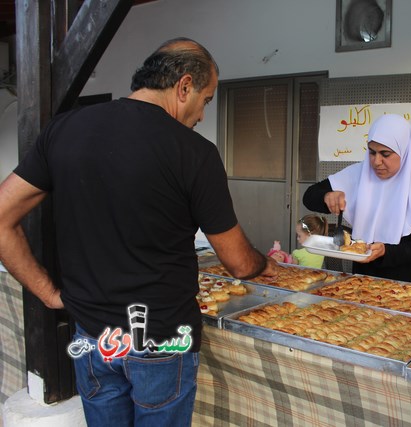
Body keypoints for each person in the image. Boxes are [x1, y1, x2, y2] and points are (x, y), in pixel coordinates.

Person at [0, 37, 277, 427]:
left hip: (94, 337)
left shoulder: (65, 130)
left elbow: (1, 215)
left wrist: (49, 294)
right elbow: (238, 263)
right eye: (207, 99)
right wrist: (264, 264)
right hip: (162, 339)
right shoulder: (194, 152)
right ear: (184, 86)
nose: (201, 114)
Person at [303, 113, 411, 285]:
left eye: (385, 154)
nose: (376, 161)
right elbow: (309, 196)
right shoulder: (359, 174)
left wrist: (386, 251)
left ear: (405, 151)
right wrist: (326, 196)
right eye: (372, 152)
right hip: (365, 280)